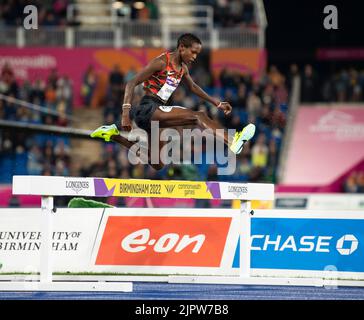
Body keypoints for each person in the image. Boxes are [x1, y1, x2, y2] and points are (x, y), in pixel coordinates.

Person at [90, 33, 255, 170]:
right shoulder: (161, 62)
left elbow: (193, 87)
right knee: (198, 116)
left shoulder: (183, 68)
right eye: (193, 52)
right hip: (148, 108)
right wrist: (125, 113)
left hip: (158, 114)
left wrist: (217, 103)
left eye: (197, 53)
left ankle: (113, 135)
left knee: (157, 163)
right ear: (182, 47)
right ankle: (232, 140)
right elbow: (131, 83)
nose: (195, 57)